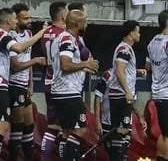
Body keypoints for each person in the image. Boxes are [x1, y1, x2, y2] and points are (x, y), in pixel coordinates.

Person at [0, 6, 45, 161]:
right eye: (15, 18)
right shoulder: (1, 34)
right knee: (3, 124)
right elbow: (19, 48)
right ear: (8, 20)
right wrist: (40, 34)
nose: (15, 21)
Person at [49, 9, 99, 161]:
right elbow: (65, 65)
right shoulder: (67, 39)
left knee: (67, 131)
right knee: (81, 129)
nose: (87, 24)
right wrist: (86, 63)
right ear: (77, 23)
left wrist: (84, 67)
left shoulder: (65, 38)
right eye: (85, 21)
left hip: (62, 91)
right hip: (68, 92)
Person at [7, 2, 44, 161]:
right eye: (25, 18)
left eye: (30, 17)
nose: (29, 20)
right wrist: (35, 60)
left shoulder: (29, 34)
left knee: (29, 126)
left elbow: (26, 60)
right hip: (13, 85)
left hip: (24, 86)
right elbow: (15, 67)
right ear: (16, 19)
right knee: (18, 127)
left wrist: (31, 83)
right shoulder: (10, 37)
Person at [105, 20, 142, 161]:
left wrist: (136, 72)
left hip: (118, 95)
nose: (139, 34)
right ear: (131, 33)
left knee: (121, 132)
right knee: (123, 130)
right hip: (121, 95)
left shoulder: (124, 48)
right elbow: (120, 71)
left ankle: (116, 154)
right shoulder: (125, 49)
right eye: (137, 31)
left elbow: (123, 70)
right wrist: (127, 91)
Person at [38, 0, 68, 161]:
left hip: (48, 81)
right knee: (67, 127)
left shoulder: (45, 32)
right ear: (63, 15)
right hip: (61, 83)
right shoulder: (64, 34)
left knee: (53, 126)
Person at [146, 9, 168, 161]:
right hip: (167, 92)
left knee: (165, 131)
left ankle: (161, 157)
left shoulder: (152, 41)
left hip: (158, 93)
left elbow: (148, 67)